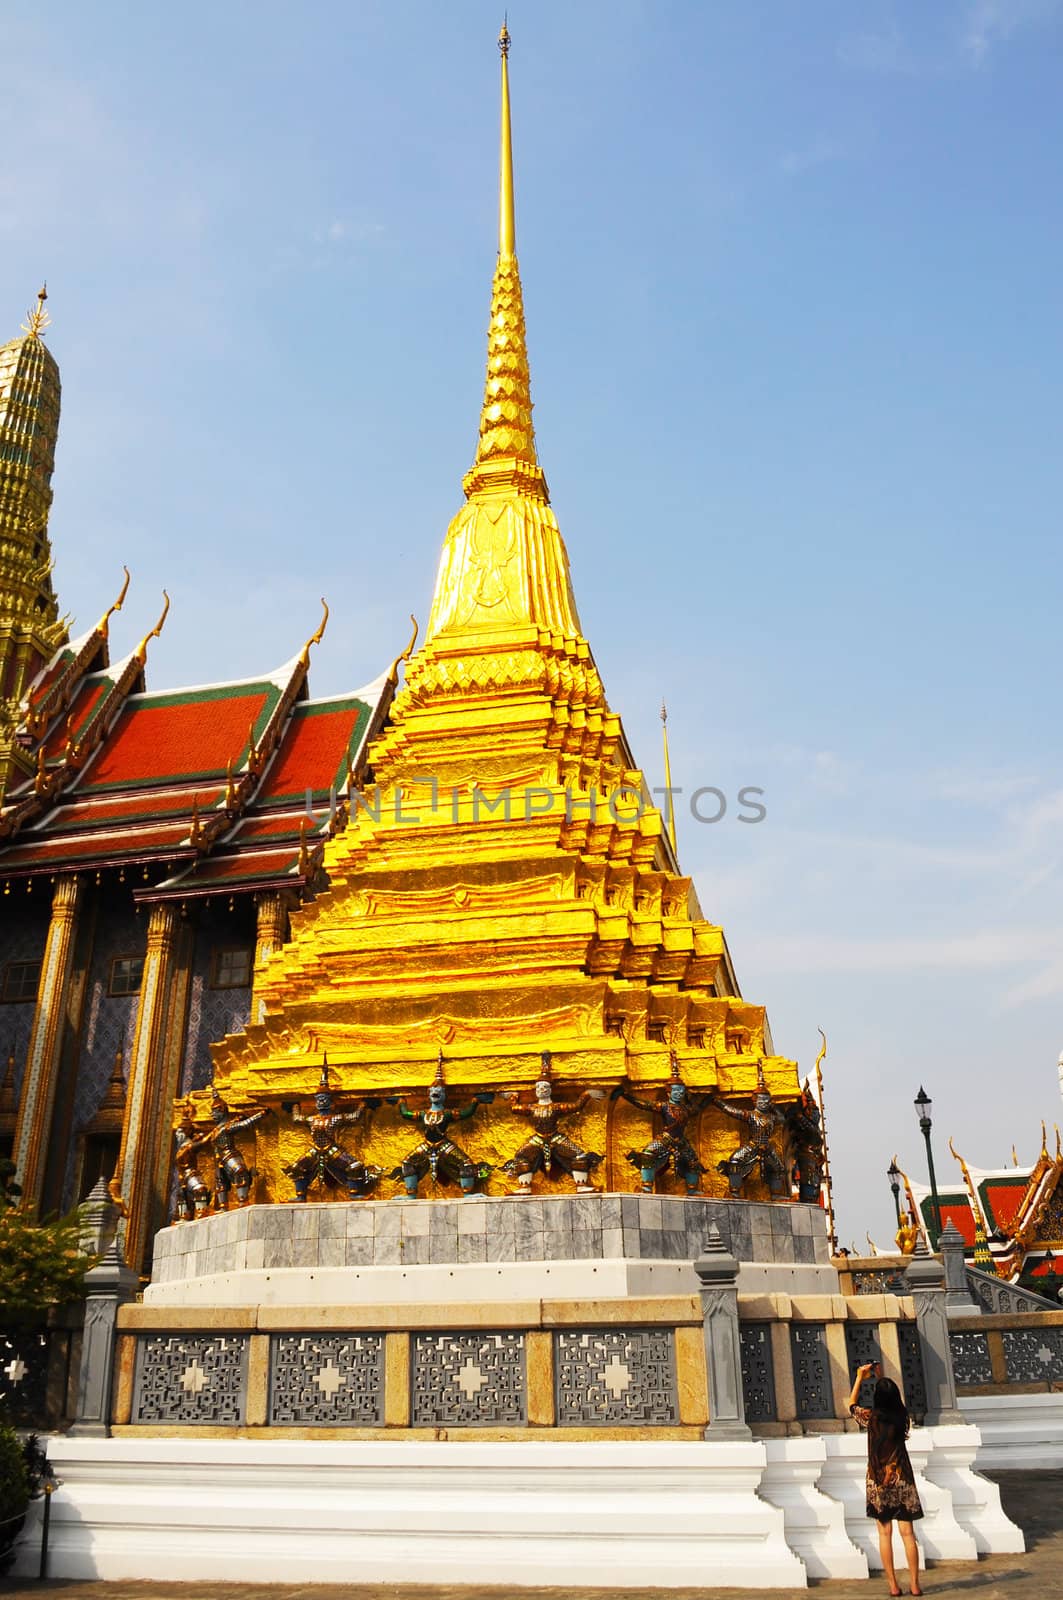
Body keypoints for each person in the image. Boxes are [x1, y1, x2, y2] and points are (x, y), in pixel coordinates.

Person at [848, 1362, 923, 1597]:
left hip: (879, 1480)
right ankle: (915, 1584)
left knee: (884, 1534)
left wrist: (861, 1377)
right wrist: (882, 1378)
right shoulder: (903, 1417)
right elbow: (893, 1401)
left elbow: (851, 1405)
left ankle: (893, 1585)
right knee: (908, 1534)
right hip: (903, 1479)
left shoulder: (871, 1418)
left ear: (877, 1398)